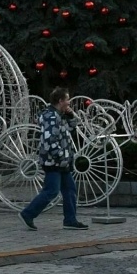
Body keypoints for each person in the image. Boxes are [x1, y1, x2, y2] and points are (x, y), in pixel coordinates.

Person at [20, 88, 88, 231]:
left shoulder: (59, 115)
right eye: (67, 100)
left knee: (69, 189)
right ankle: (28, 213)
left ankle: (70, 220)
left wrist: (71, 115)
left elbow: (73, 126)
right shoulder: (51, 117)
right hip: (54, 162)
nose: (69, 103)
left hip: (61, 161)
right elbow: (49, 140)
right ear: (60, 101)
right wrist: (60, 156)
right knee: (51, 190)